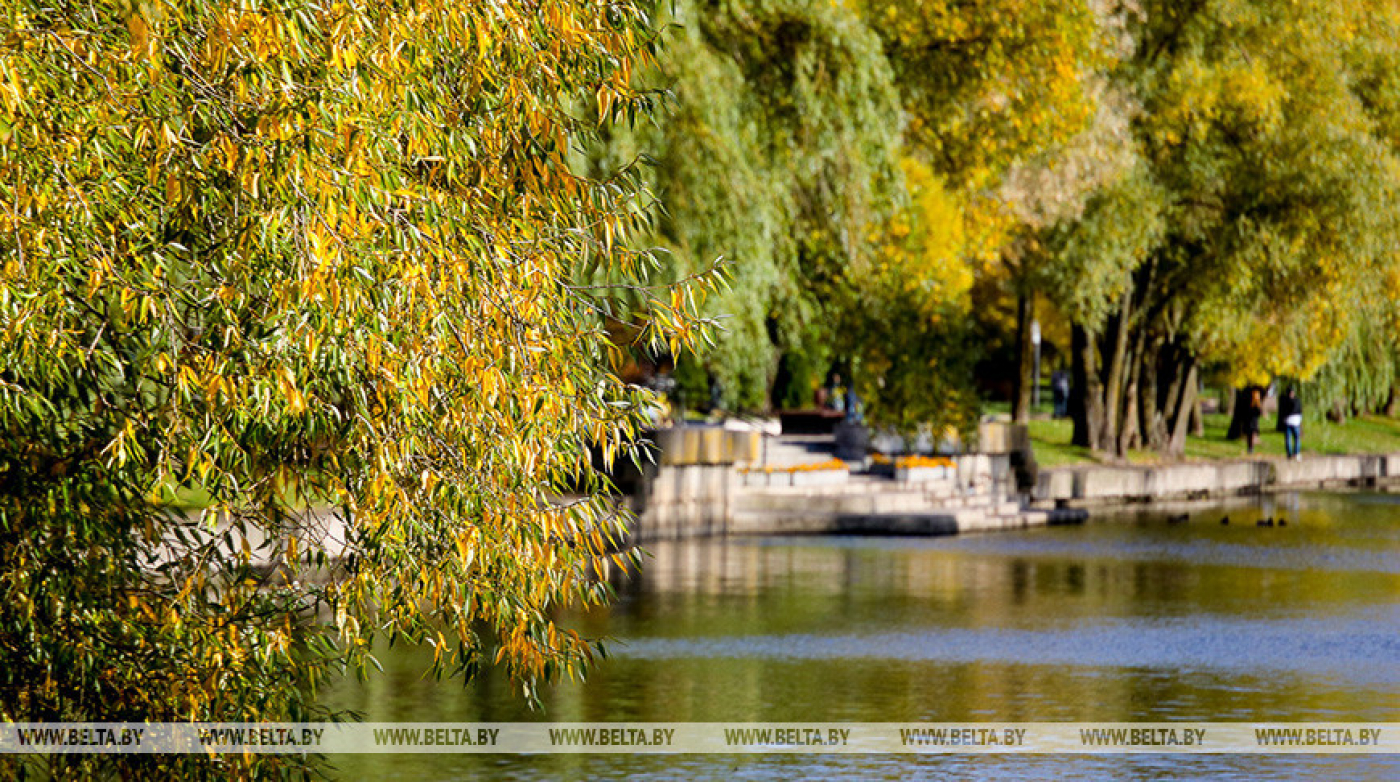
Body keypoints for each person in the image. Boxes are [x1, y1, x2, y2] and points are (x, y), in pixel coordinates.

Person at [1279, 386, 1303, 460]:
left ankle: (1289, 454)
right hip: (1295, 421)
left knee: (1288, 438)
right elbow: (1300, 410)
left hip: (1288, 421)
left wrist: (1284, 419)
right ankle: (1296, 453)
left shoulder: (1285, 401)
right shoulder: (1297, 400)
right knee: (1296, 438)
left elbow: (1283, 411)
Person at [1245, 387, 1263, 454]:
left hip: (1253, 422)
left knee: (1252, 435)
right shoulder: (1250, 403)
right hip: (1250, 421)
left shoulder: (1257, 404)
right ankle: (1250, 448)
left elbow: (1258, 413)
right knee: (1249, 435)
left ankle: (1251, 448)